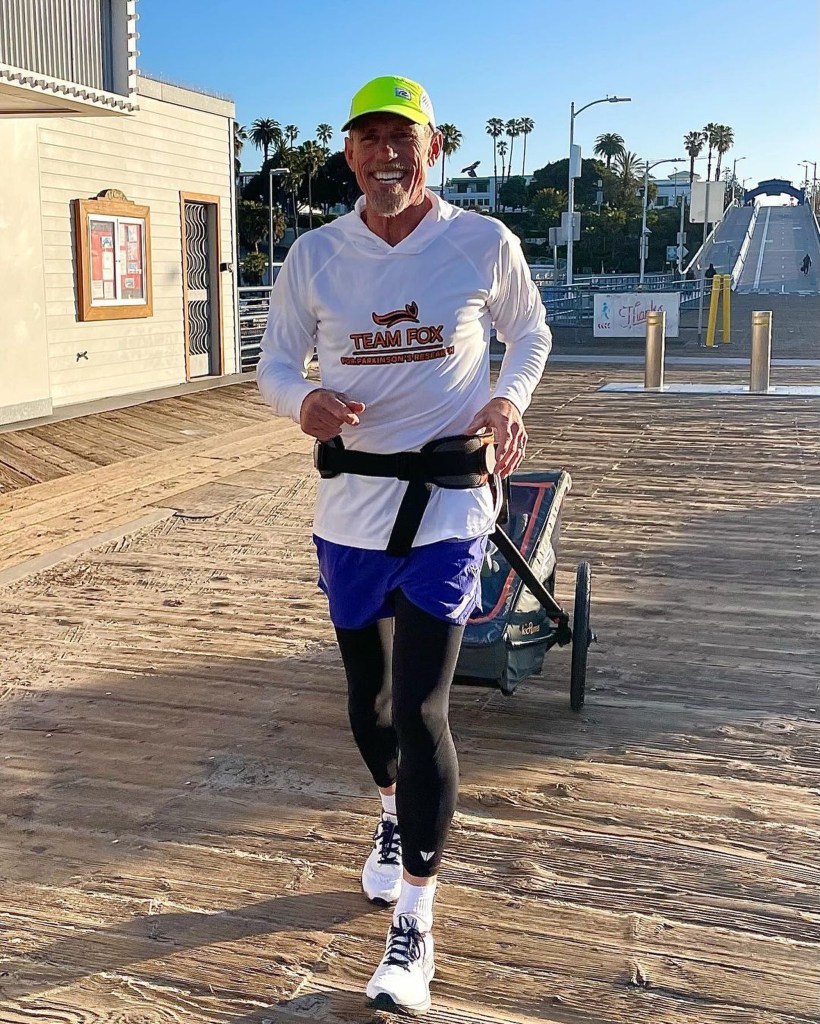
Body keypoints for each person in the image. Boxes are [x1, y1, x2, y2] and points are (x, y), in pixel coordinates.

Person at [256, 75, 551, 1015]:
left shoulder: (480, 242)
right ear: (349, 154)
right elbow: (269, 362)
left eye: (403, 139)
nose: (386, 154)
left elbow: (532, 331)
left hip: (451, 503)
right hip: (349, 504)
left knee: (424, 709)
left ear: (433, 150)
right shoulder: (315, 254)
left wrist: (507, 399)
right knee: (370, 701)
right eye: (369, 139)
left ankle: (415, 922)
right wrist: (297, 400)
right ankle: (390, 817)